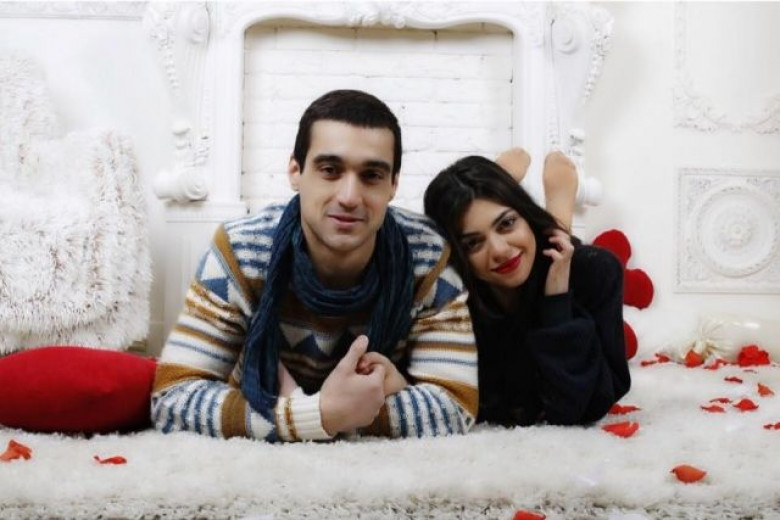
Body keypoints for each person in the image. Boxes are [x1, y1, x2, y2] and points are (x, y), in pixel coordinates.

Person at [152, 90, 478, 441]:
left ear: (393, 185)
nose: (349, 197)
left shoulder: (426, 254)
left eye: (371, 175)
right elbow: (172, 399)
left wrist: (326, 414)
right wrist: (318, 415)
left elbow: (455, 405)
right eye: (330, 170)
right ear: (295, 171)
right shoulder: (242, 250)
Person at [423, 150, 630, 426]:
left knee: (556, 246)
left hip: (556, 259)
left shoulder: (596, 271)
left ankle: (547, 208)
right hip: (519, 256)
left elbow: (588, 404)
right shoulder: (453, 295)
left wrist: (557, 301)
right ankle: (522, 195)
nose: (499, 250)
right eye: (473, 242)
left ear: (526, 215)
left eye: (507, 224)